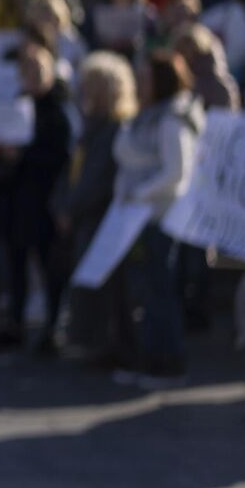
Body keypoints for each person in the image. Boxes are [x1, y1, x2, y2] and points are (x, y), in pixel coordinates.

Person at [111, 49, 204, 386]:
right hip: (136, 218)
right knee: (144, 292)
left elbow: (176, 173)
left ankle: (169, 362)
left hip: (160, 219)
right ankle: (146, 357)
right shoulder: (144, 116)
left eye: (146, 78)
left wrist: (139, 193)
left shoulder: (172, 119)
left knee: (160, 292)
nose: (139, 84)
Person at [0, 45, 73, 350]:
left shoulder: (58, 109)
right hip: (13, 198)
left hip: (43, 199)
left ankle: (53, 327)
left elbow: (61, 157)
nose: (32, 77)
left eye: (38, 70)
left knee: (50, 266)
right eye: (27, 71)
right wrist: (1, 154)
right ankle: (15, 322)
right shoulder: (11, 105)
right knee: (15, 264)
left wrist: (22, 155)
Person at [53, 52, 139, 364]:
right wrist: (61, 204)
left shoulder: (117, 127)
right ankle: (92, 340)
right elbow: (72, 172)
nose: (85, 92)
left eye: (93, 86)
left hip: (101, 217)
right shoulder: (89, 126)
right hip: (82, 216)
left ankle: (109, 344)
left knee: (108, 287)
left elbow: (98, 179)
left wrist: (70, 209)